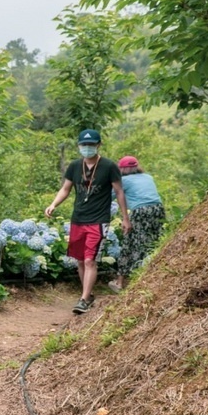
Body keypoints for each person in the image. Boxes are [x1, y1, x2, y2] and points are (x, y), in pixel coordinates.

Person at [44, 129, 131, 314]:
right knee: (81, 260)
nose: (87, 148)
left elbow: (119, 192)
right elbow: (66, 189)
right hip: (78, 219)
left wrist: (125, 218)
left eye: (91, 145)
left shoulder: (109, 166)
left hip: (98, 220)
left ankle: (83, 299)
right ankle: (88, 295)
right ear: (79, 146)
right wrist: (53, 204)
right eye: (84, 145)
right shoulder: (75, 166)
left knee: (91, 259)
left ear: (98, 145)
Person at [112, 155, 164, 290]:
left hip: (141, 211)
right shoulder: (148, 177)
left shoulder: (124, 181)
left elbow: (111, 195)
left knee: (131, 243)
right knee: (154, 243)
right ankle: (151, 277)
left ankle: (122, 282)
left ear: (122, 169)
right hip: (158, 209)